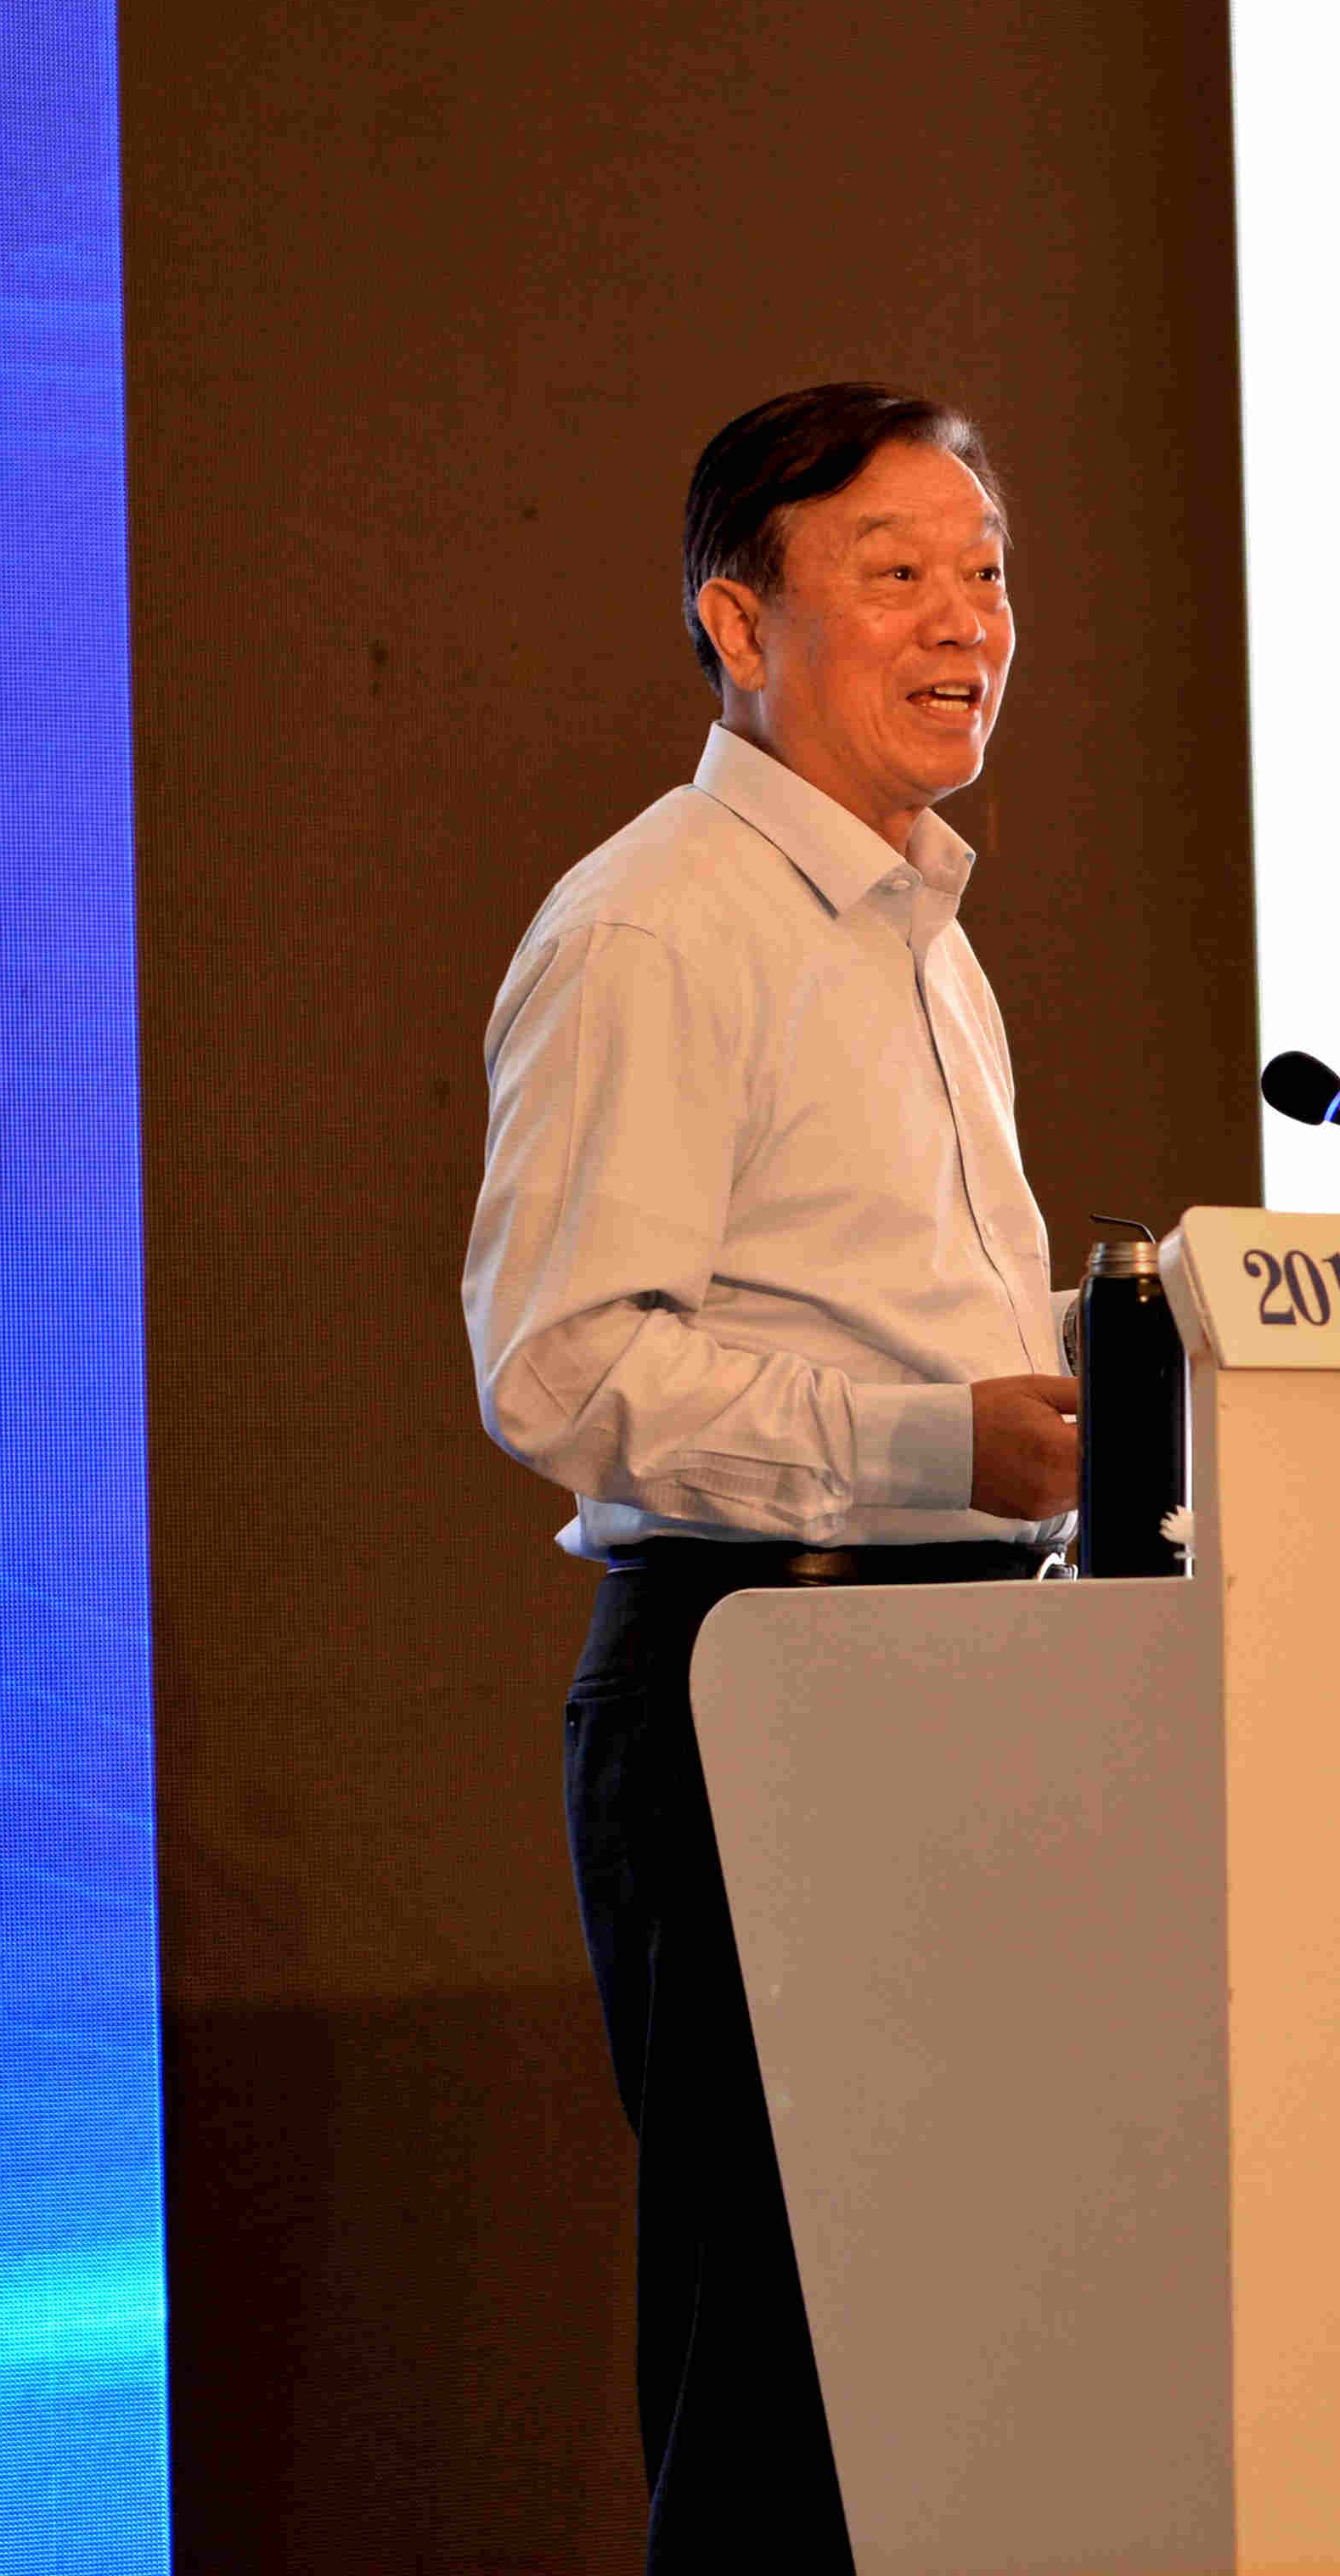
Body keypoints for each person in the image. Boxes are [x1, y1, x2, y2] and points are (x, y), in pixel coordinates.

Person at [461, 383, 1082, 2569]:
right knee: (791, 2395)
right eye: (894, 573)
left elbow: (886, 1315)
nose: (965, 622)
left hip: (962, 1679)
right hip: (767, 1682)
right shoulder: (659, 923)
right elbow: (562, 1366)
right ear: (738, 621)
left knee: (965, 2384)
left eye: (985, 571)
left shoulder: (922, 932)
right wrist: (942, 1437)